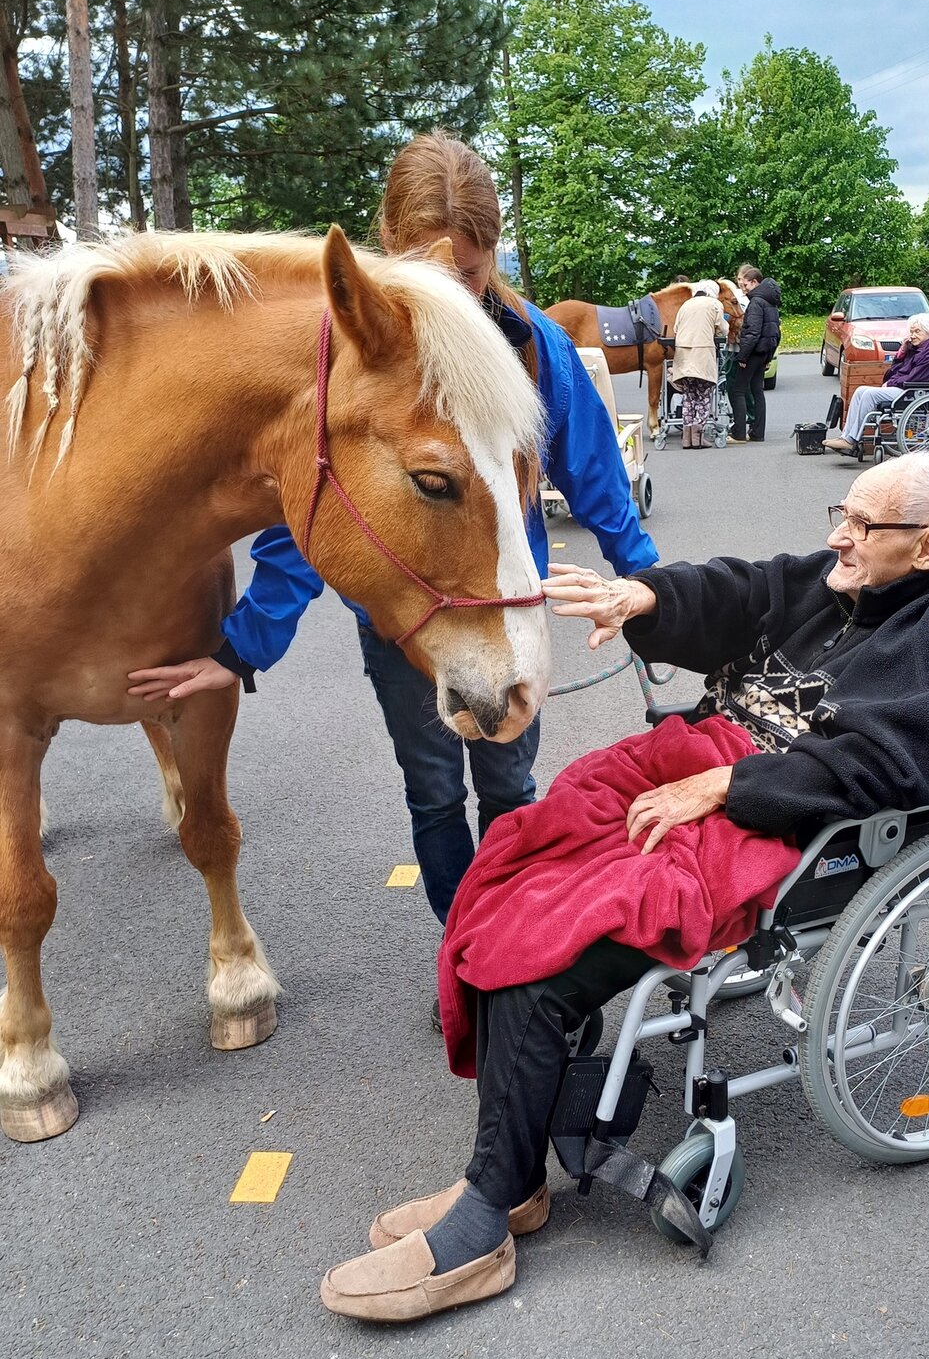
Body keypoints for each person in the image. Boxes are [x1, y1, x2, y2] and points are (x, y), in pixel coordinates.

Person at [317, 450, 929, 1324]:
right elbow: (745, 590)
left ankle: (488, 1218)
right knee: (510, 867)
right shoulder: (844, 577)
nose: (840, 535)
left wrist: (729, 786)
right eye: (844, 512)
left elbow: (895, 762)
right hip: (705, 761)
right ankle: (513, 1178)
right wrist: (643, 596)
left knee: (546, 946)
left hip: (774, 816)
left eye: (864, 525)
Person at [127, 131, 659, 958]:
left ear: (494, 254)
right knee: (434, 793)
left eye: (469, 273)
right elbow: (308, 519)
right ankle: (467, 951)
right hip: (403, 626)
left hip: (501, 610)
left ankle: (512, 946)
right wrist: (241, 649)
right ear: (388, 243)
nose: (452, 292)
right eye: (425, 270)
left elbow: (595, 474)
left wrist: (657, 591)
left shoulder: (528, 344)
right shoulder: (355, 358)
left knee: (511, 787)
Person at [827, 312, 929, 456]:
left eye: (917, 331)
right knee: (860, 390)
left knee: (870, 395)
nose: (912, 335)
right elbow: (896, 370)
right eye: (911, 332)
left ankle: (851, 440)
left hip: (914, 391)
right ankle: (846, 437)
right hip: (906, 387)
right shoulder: (919, 347)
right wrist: (903, 351)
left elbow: (916, 377)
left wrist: (891, 383)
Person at [669, 279, 727, 449]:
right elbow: (722, 329)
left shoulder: (685, 305)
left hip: (683, 355)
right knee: (703, 395)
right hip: (702, 354)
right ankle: (698, 436)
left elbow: (676, 329)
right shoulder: (714, 304)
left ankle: (687, 438)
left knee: (688, 395)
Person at [728, 264, 780, 443]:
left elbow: (753, 332)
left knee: (738, 390)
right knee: (757, 390)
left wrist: (742, 356)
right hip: (764, 352)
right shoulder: (770, 301)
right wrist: (768, 356)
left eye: (746, 285)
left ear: (755, 282)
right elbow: (776, 332)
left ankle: (739, 433)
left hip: (753, 352)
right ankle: (758, 433)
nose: (743, 289)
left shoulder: (756, 302)